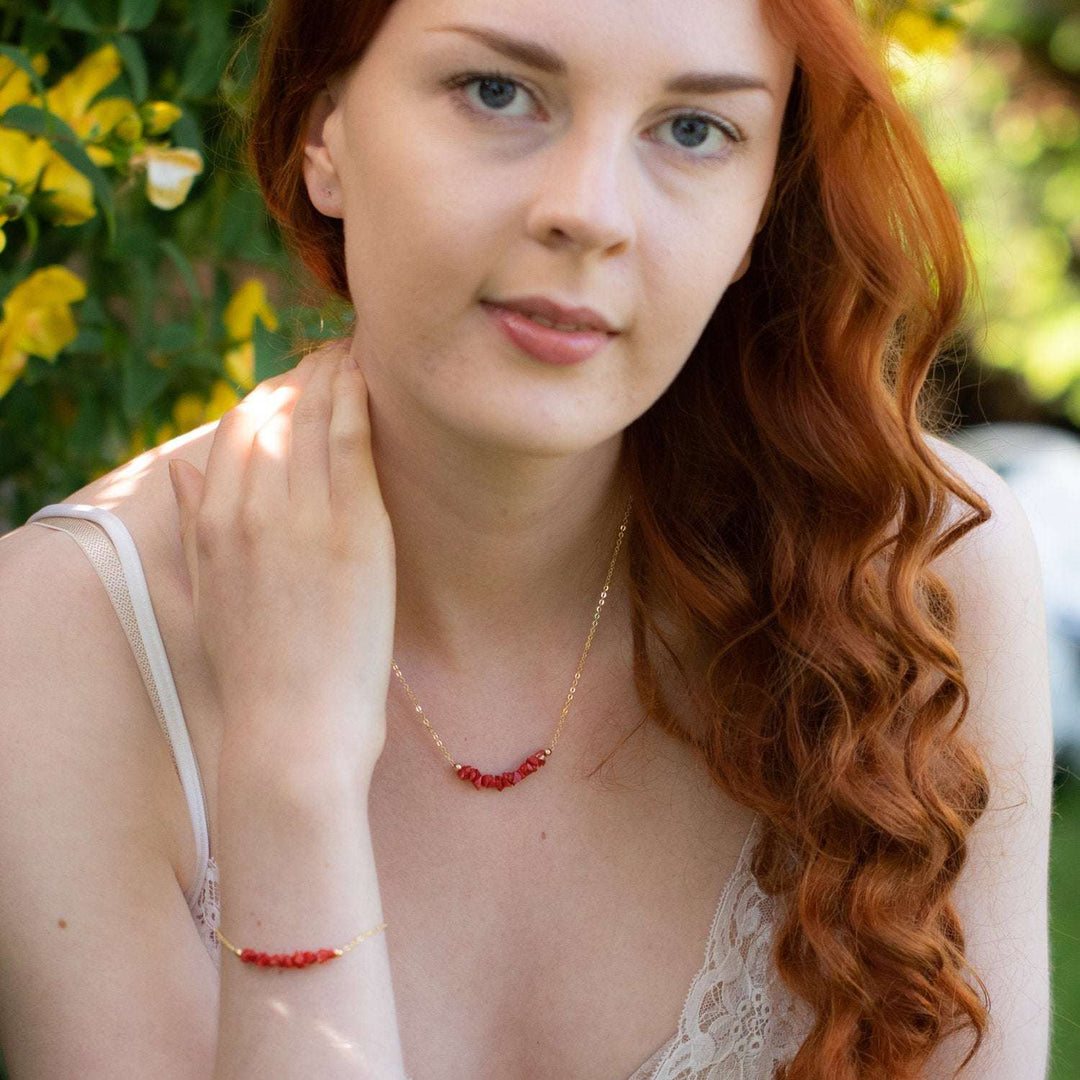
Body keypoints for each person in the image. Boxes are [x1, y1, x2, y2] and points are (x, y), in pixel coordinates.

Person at [0, 0, 1053, 1077]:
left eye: (694, 129)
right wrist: (291, 779)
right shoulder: (59, 641)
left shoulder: (916, 580)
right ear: (324, 133)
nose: (590, 213)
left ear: (758, 211)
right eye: (497, 92)